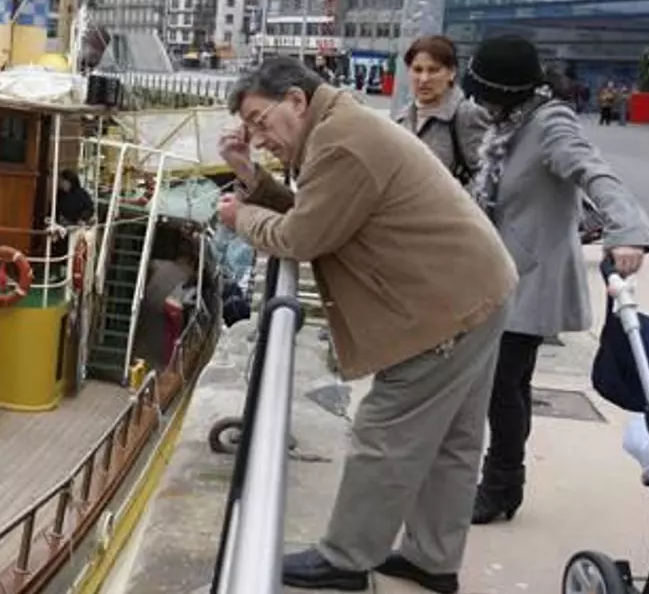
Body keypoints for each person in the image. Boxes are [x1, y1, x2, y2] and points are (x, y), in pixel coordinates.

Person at [216, 57, 518, 593]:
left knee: (385, 430)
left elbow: (301, 237)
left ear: (296, 101)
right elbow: (320, 213)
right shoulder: (341, 127)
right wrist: (250, 175)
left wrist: (242, 216)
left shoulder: (340, 143)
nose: (258, 138)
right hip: (474, 288)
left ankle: (347, 558)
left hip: (444, 306)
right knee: (453, 441)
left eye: (260, 121)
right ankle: (432, 558)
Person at [460, 35, 649, 525]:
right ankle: (505, 484)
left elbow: (596, 174)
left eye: (485, 92)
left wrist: (628, 231)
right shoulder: (510, 123)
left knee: (502, 386)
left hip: (532, 278)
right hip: (503, 275)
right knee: (509, 385)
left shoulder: (550, 124)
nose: (479, 101)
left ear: (505, 89)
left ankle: (501, 485)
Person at [394, 35, 489, 185]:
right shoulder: (401, 118)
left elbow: (487, 178)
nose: (424, 79)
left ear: (451, 72)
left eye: (433, 70)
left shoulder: (466, 115)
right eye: (417, 70)